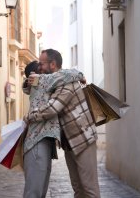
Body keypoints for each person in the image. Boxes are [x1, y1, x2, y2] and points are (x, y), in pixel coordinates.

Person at [25, 49, 100, 198]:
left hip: (83, 139)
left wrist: (29, 117)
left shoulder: (68, 82)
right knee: (78, 188)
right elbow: (32, 88)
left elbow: (53, 108)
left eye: (41, 64)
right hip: (69, 143)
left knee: (89, 189)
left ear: (52, 64)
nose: (39, 67)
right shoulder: (54, 82)